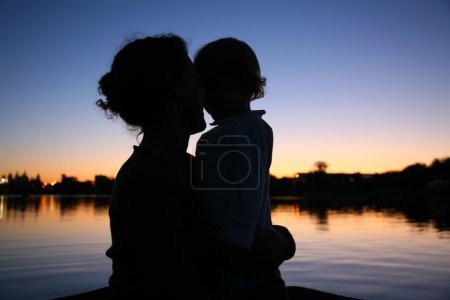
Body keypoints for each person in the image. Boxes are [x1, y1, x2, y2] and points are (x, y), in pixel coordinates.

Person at [80, 33, 296, 300]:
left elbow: (244, 206)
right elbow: (180, 285)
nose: (205, 91)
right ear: (177, 92)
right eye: (198, 80)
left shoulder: (190, 168)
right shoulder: (146, 181)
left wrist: (283, 241)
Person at [191, 37, 287, 299]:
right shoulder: (224, 133)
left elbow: (248, 191)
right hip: (224, 256)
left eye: (214, 86)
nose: (206, 97)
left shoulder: (249, 129)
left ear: (247, 86)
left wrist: (235, 243)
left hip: (243, 261)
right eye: (203, 87)